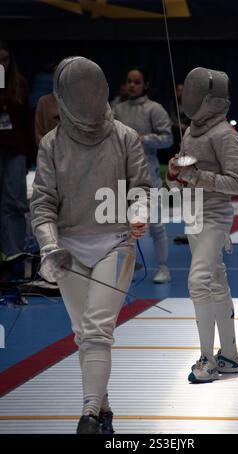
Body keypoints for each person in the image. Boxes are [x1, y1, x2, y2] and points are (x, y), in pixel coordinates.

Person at [30, 56, 151, 434]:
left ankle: (87, 415)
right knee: (85, 333)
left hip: (115, 243)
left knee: (98, 329)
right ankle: (104, 408)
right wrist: (50, 246)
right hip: (67, 247)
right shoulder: (51, 144)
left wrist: (139, 212)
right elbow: (42, 203)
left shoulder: (125, 137)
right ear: (62, 96)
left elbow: (143, 188)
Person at [167, 67, 238, 383]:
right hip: (193, 215)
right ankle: (230, 356)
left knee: (199, 281)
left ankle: (207, 360)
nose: (190, 97)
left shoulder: (225, 134)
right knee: (215, 281)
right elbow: (184, 174)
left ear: (211, 99)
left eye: (197, 92)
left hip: (215, 217)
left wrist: (198, 177)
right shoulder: (191, 131)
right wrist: (175, 174)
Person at [114, 67, 173, 283]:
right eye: (129, 81)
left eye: (136, 82)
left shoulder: (154, 109)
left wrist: (144, 139)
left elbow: (168, 139)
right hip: (123, 175)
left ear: (145, 85)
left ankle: (163, 267)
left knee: (155, 224)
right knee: (123, 226)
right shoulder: (117, 110)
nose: (132, 85)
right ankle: (128, 267)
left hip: (149, 175)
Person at [0, 41, 35, 259]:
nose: (2, 64)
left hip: (15, 150)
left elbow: (26, 121)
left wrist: (29, 154)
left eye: (5, 59)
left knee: (14, 202)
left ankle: (14, 253)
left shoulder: (19, 84)